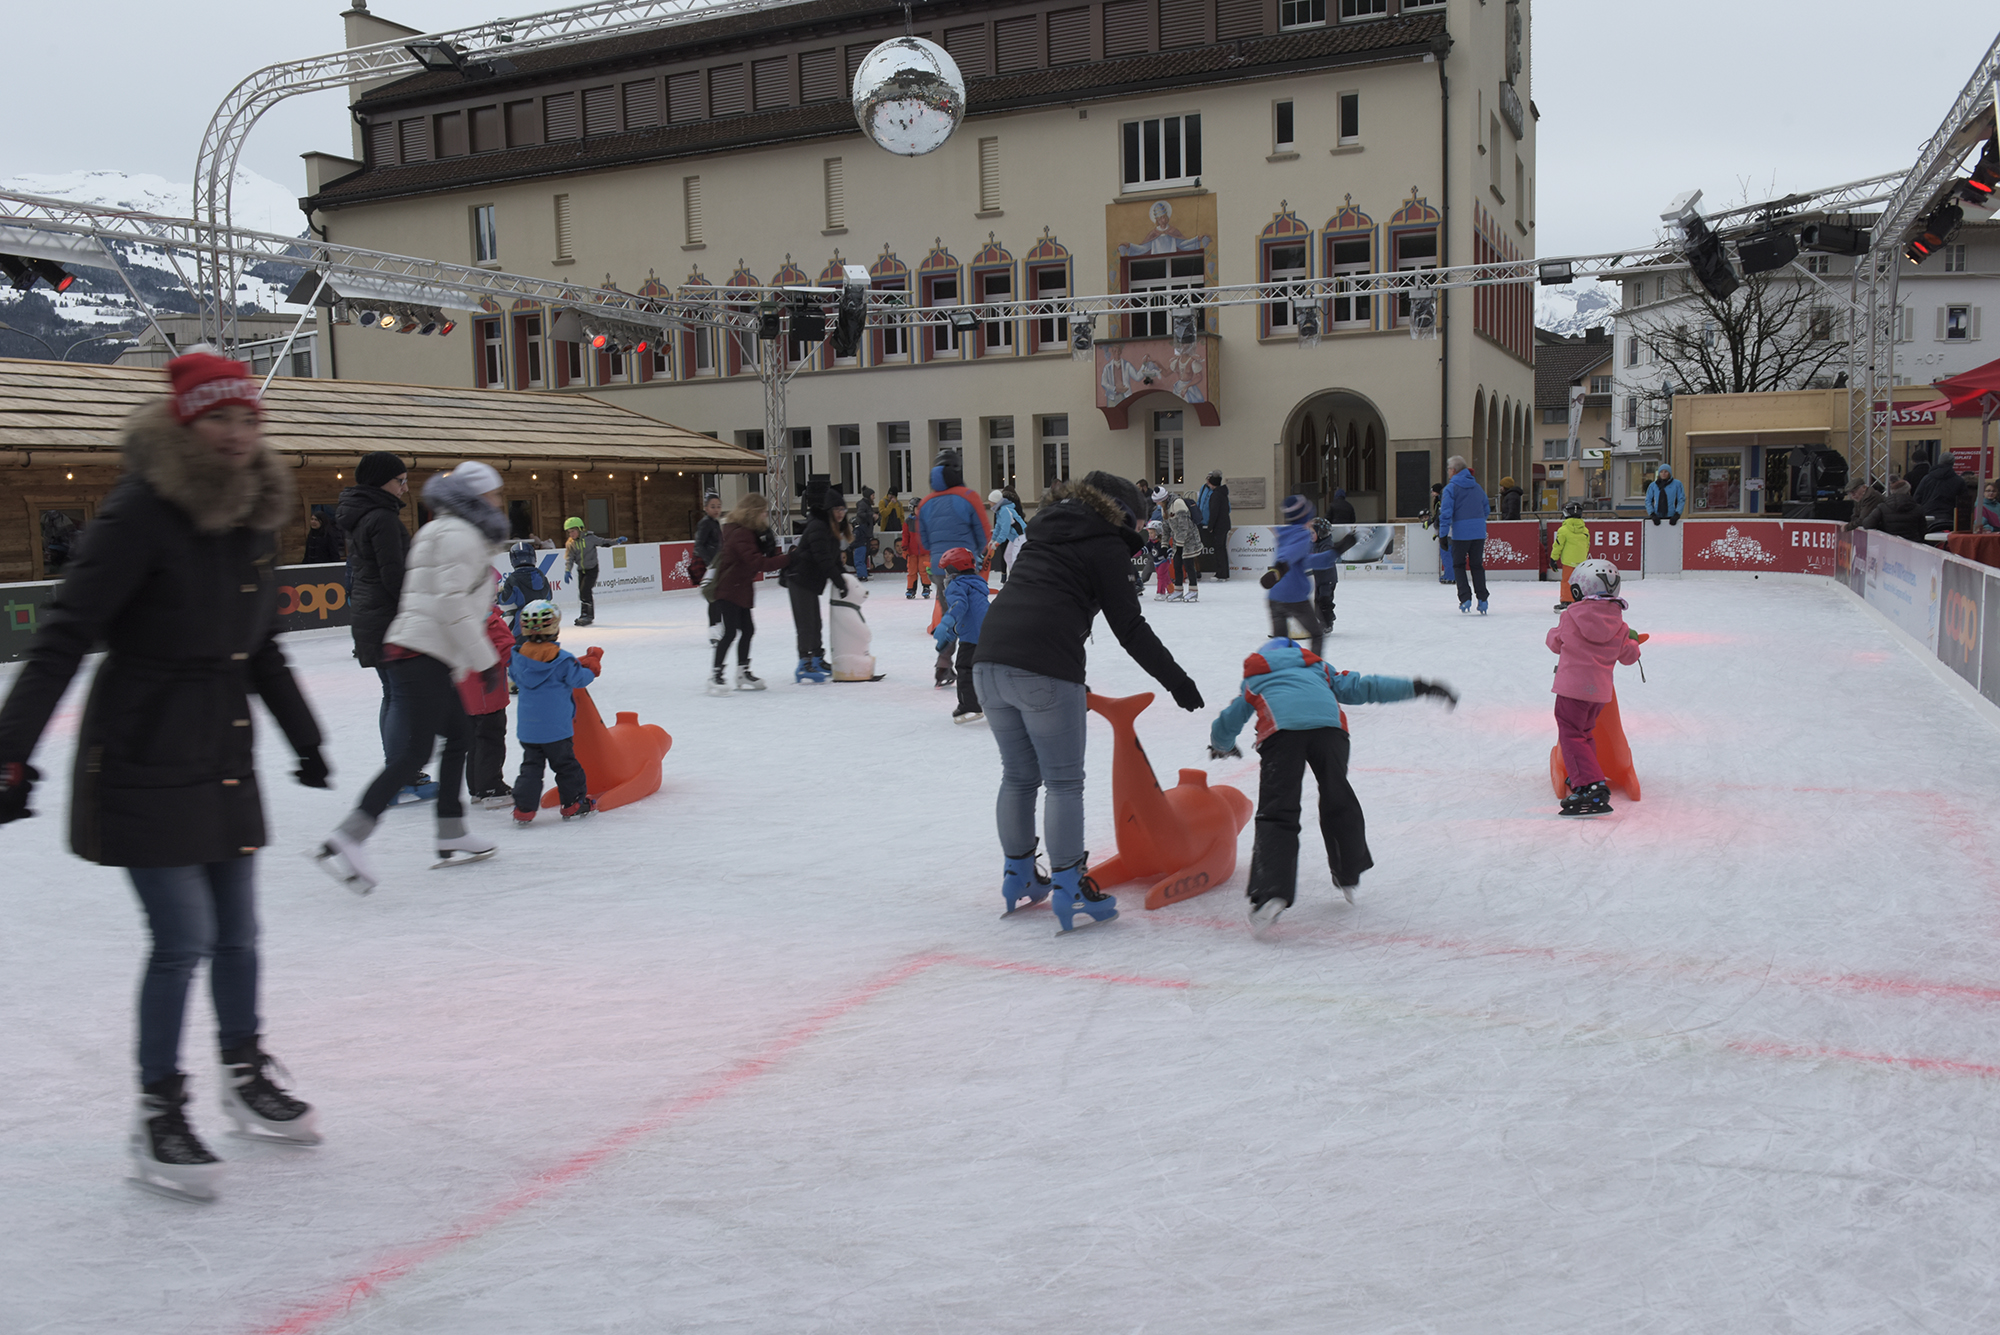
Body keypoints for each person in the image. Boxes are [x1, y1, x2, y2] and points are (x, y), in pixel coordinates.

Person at [0, 349, 327, 1200]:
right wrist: (10, 749)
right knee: (183, 940)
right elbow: (64, 633)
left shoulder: (253, 517)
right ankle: (157, 1111)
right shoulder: (141, 511)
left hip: (221, 751)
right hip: (142, 750)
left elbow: (260, 646)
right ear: (186, 423)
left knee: (239, 934)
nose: (236, 432)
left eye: (248, 418)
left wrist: (305, 737)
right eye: (219, 417)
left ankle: (243, 1070)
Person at [971, 471, 1204, 930]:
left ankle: (1018, 875)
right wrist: (1176, 680)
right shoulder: (1105, 543)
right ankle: (1070, 885)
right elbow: (1129, 628)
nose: (1139, 531)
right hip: (1045, 665)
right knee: (1063, 783)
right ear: (1122, 515)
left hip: (988, 661)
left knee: (1018, 776)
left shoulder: (1046, 533)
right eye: (1138, 522)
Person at [315, 462, 511, 893]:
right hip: (422, 652)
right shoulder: (462, 536)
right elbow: (450, 603)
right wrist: (487, 661)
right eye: (495, 494)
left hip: (418, 648)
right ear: (479, 498)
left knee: (458, 734)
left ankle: (450, 829)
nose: (500, 501)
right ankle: (349, 836)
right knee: (414, 754)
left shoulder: (439, 529)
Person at [1209, 636, 1457, 932]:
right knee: (1338, 800)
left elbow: (1231, 718)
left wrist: (1220, 744)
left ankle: (1272, 893)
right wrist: (1417, 687)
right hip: (1330, 732)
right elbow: (1365, 686)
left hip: (1281, 735)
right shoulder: (1319, 669)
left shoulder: (1257, 676)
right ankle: (1348, 872)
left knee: (1278, 811)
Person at [1547, 558, 1644, 817]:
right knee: (1585, 733)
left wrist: (1556, 632)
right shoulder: (1620, 625)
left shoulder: (1570, 617)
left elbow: (1554, 643)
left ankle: (1590, 787)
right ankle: (1586, 777)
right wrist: (1633, 641)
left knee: (1571, 734)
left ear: (1580, 590)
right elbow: (1628, 657)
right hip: (1599, 695)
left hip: (1571, 691)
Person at [337, 451, 413, 766]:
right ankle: (401, 772)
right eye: (401, 481)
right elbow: (394, 575)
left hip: (372, 615)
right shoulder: (381, 517)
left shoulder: (363, 514)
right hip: (386, 618)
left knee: (393, 693)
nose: (405, 489)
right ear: (383, 481)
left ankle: (398, 768)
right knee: (401, 695)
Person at [507, 600, 602, 824]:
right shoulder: (562, 660)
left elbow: (522, 675)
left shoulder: (518, 658)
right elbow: (579, 678)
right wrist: (592, 666)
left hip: (529, 729)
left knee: (530, 767)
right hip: (557, 729)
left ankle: (524, 808)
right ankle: (574, 803)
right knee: (566, 766)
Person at [708, 493, 794, 694]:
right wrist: (788, 559)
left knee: (747, 630)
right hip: (729, 590)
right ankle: (716, 674)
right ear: (753, 512)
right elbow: (758, 563)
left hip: (740, 589)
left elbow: (761, 556)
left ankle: (742, 672)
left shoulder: (747, 532)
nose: (766, 515)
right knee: (730, 632)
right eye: (763, 512)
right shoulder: (740, 534)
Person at [917, 450, 992, 628]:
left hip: (939, 568)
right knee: (972, 616)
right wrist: (978, 554)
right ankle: (968, 655)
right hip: (966, 566)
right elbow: (984, 534)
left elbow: (924, 543)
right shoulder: (968, 496)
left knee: (948, 617)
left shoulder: (925, 503)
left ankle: (945, 654)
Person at [787, 478, 851, 684]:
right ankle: (804, 663)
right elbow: (823, 559)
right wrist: (840, 583)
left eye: (843, 509)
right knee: (806, 623)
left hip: (810, 581)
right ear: (829, 509)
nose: (841, 513)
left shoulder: (831, 528)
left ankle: (816, 658)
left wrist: (846, 578)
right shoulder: (818, 526)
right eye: (837, 509)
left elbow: (834, 559)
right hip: (799, 578)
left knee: (816, 621)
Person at [1262, 494, 1336, 655]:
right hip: (1294, 597)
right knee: (1317, 634)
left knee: (1280, 644)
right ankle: (1314, 673)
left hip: (1274, 597)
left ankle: (1281, 675)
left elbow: (1306, 561)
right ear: (1304, 516)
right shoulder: (1302, 535)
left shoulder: (1285, 535)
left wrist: (1335, 553)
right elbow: (1290, 555)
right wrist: (1279, 569)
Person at [461, 589, 515, 808]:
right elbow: (508, 651)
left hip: (467, 694)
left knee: (475, 741)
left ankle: (476, 787)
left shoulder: (461, 622)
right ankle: (491, 788)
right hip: (488, 693)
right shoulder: (491, 622)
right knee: (491, 740)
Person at [933, 547, 991, 723]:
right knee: (986, 670)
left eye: (946, 571)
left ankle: (970, 706)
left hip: (971, 638)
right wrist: (951, 634)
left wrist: (947, 622)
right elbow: (973, 613)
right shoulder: (977, 583)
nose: (945, 576)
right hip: (988, 633)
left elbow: (960, 605)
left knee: (965, 668)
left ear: (953, 570)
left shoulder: (957, 585)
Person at [1438, 455, 1490, 614]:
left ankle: (1465, 598)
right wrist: (1476, 523)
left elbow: (1446, 514)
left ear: (1453, 470)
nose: (1448, 472)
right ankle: (1482, 599)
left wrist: (1443, 535)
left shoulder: (1450, 488)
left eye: (1448, 469)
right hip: (1479, 532)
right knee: (1476, 566)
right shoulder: (1477, 487)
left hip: (1461, 534)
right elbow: (1486, 509)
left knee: (1458, 565)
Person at [562, 517, 627, 628]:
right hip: (581, 570)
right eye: (569, 532)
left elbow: (604, 542)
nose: (571, 534)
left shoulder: (590, 538)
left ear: (580, 529)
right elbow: (570, 558)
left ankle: (588, 615)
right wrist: (568, 570)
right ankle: (584, 614)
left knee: (585, 590)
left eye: (573, 531)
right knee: (582, 593)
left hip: (592, 569)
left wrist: (617, 541)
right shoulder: (570, 543)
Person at [1156, 485, 1207, 602]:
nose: (1157, 504)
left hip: (1189, 539)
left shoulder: (1178, 504)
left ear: (1163, 499)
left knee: (1189, 564)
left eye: (1158, 502)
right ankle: (1178, 590)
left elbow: (1184, 526)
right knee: (1177, 564)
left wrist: (1179, 545)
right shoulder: (1165, 508)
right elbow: (1166, 528)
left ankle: (1193, 591)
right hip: (1178, 540)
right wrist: (1164, 545)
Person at [498, 540, 554, 642]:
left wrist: (499, 595)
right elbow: (549, 597)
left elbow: (506, 600)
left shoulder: (513, 579)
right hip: (544, 621)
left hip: (523, 624)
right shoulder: (541, 576)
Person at [692, 492, 725, 642]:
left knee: (718, 597)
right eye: (713, 506)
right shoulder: (705, 523)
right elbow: (699, 545)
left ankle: (718, 627)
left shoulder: (715, 523)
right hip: (709, 566)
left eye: (718, 506)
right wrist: (710, 564)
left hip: (715, 564)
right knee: (714, 598)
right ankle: (714, 630)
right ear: (705, 508)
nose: (716, 509)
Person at [1549, 500, 1591, 611]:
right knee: (1579, 580)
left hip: (1568, 561)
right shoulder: (1585, 530)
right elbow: (1587, 545)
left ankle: (1566, 600)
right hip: (1581, 561)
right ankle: (1579, 600)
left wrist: (1553, 558)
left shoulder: (1563, 530)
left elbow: (1558, 545)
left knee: (1567, 580)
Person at [1862, 479, 1929, 542]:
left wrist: (1881, 527)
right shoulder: (1918, 508)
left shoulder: (1883, 507)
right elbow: (1923, 531)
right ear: (1908, 491)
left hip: (1889, 543)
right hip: (1913, 544)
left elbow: (1867, 524)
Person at [1197, 469, 1233, 580]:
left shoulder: (1216, 495)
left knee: (1219, 549)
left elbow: (1214, 512)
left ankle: (1221, 573)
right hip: (1222, 525)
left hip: (1218, 526)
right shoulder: (1221, 493)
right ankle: (1223, 573)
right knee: (1220, 548)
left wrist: (1210, 526)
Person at [1915, 460, 1967, 533]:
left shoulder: (1926, 479)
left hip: (1928, 516)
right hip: (1949, 517)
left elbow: (1917, 498)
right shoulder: (1959, 481)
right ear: (1953, 463)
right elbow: (1963, 503)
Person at [988, 488, 1026, 584]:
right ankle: (1014, 577)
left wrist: (997, 542)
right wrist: (992, 539)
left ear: (995, 501)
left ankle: (1018, 579)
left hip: (1020, 536)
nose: (989, 503)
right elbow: (998, 527)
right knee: (1007, 556)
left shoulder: (1005, 510)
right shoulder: (999, 511)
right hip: (1014, 538)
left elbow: (1005, 529)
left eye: (990, 501)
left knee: (1014, 558)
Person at [851, 485, 878, 582]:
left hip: (865, 533)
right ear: (868, 496)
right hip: (862, 533)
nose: (874, 497)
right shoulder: (863, 504)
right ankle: (862, 574)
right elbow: (860, 514)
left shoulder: (867, 505)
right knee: (861, 553)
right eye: (873, 495)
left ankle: (864, 572)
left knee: (866, 553)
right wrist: (872, 515)